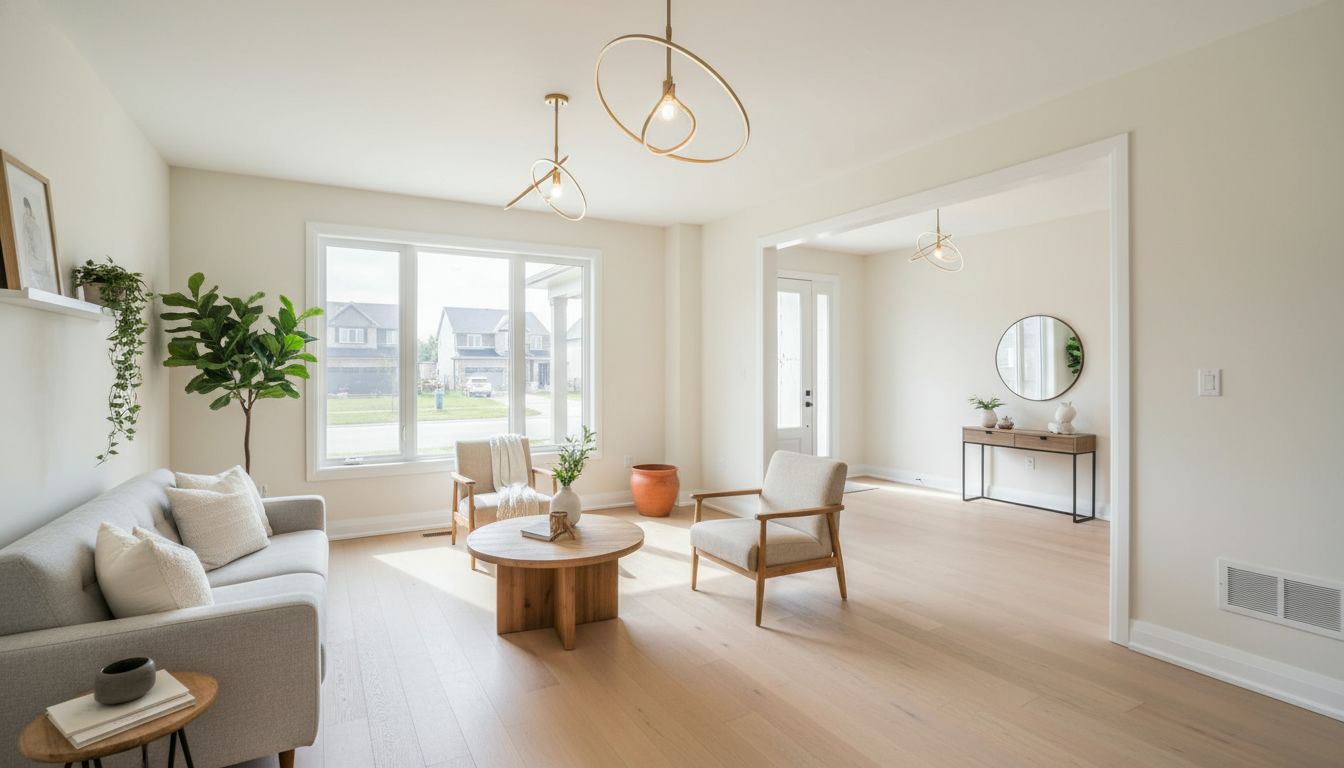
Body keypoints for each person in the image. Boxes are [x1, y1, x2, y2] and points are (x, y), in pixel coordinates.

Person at [18, 196, 57, 292]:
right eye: (25, 212)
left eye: (28, 212)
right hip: (33, 266)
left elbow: (39, 249)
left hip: (39, 263)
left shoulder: (36, 228)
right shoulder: (25, 228)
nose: (27, 215)